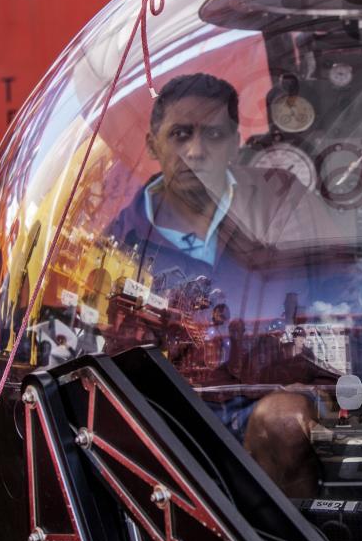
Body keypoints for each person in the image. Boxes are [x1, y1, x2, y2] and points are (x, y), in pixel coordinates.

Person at [105, 73, 328, 497]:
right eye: (180, 134)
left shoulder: (282, 204)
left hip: (279, 401)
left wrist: (321, 385)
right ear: (153, 145)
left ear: (235, 142)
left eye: (213, 134)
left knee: (281, 420)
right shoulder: (121, 242)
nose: (195, 150)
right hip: (175, 421)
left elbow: (342, 293)